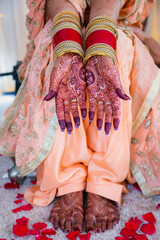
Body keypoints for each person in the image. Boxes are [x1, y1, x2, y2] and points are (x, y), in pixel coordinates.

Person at [0, 0, 160, 234]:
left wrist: (100, 47)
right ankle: (67, 179)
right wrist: (68, 49)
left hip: (115, 19)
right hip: (60, 20)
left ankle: (104, 180)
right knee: (60, 57)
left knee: (116, 47)